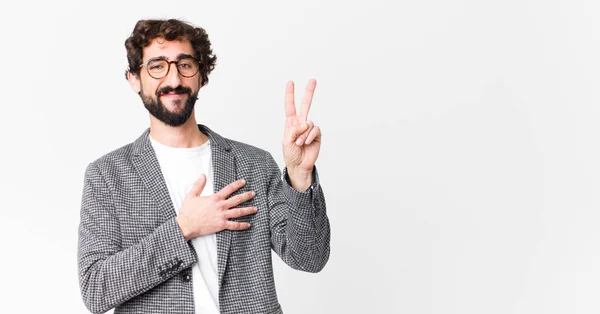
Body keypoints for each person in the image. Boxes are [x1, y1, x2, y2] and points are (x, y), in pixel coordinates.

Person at [77, 19, 330, 314]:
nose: (173, 80)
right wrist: (184, 227)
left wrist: (300, 174)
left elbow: (310, 258)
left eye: (185, 64)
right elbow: (96, 289)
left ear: (201, 76)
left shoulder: (255, 164)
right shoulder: (107, 176)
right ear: (135, 78)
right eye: (157, 66)